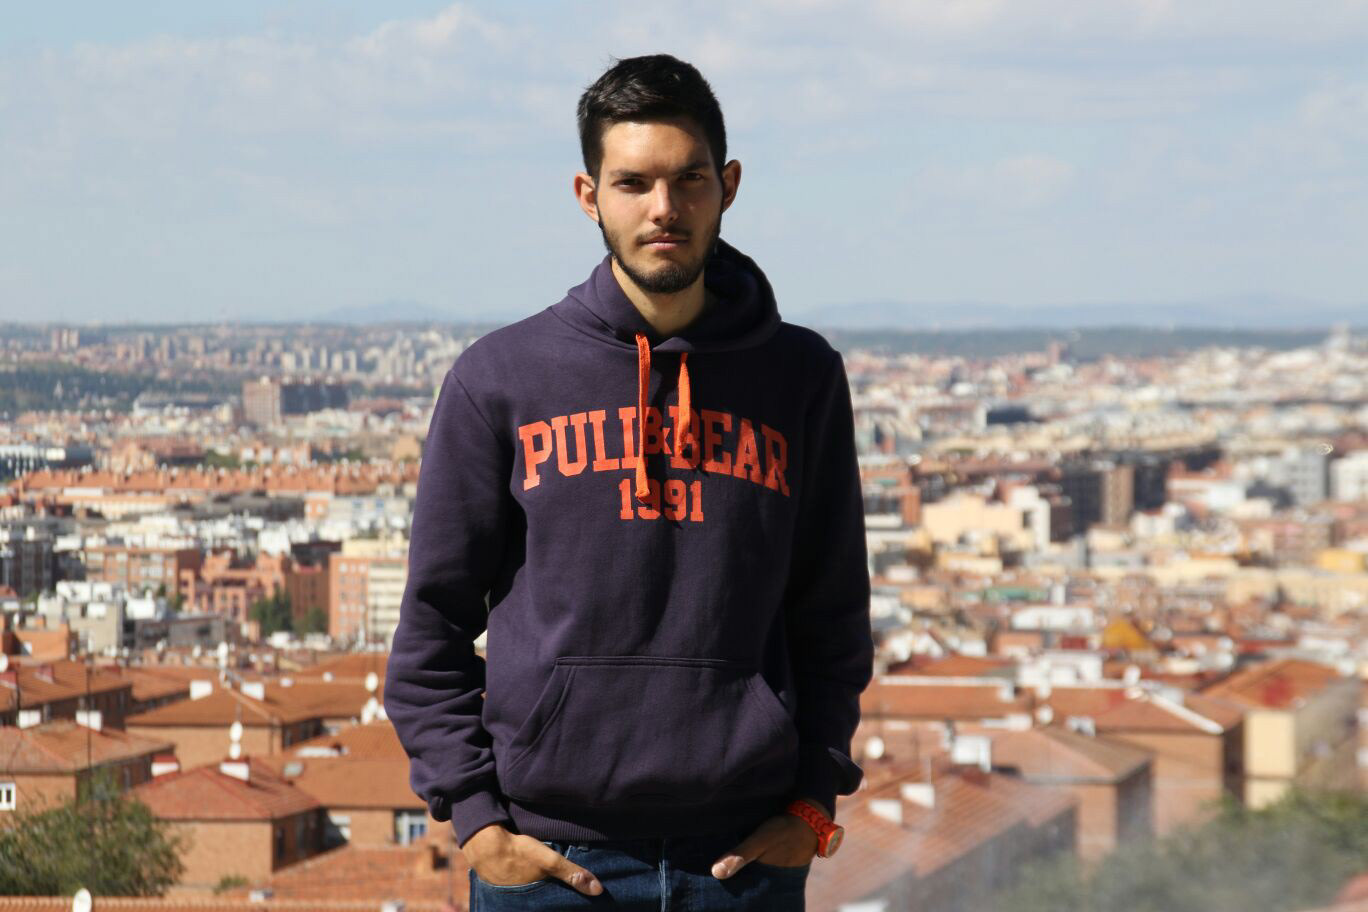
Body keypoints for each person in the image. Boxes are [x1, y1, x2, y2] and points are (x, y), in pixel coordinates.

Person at [384, 53, 873, 910]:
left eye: (689, 180)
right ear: (589, 195)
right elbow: (432, 625)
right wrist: (478, 821)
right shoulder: (500, 377)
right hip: (550, 861)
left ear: (728, 186)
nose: (663, 208)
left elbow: (831, 614)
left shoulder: (799, 376)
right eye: (634, 183)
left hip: (742, 862)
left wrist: (811, 802)